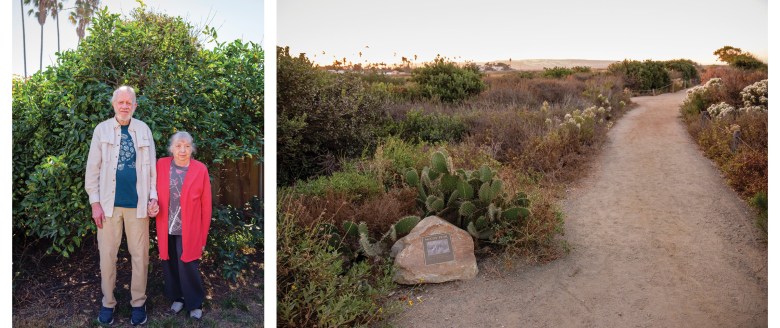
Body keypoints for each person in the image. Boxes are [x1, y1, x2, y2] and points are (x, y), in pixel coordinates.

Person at [85, 85, 157, 326]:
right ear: (113, 104)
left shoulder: (144, 130)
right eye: (121, 102)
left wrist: (153, 197)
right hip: (107, 207)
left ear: (135, 106)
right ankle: (108, 303)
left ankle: (138, 303)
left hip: (137, 207)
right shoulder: (101, 130)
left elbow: (152, 171)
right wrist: (95, 202)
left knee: (140, 257)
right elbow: (92, 169)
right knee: (107, 256)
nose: (125, 106)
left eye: (129, 102)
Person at [148, 131, 212, 320]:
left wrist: (203, 235)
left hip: (189, 227)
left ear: (192, 148)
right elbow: (153, 191)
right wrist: (151, 205)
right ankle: (177, 298)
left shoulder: (200, 169)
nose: (182, 150)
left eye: (186, 146)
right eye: (178, 146)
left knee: (188, 264)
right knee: (169, 262)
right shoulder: (161, 164)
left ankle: (194, 303)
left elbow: (206, 206)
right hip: (166, 224)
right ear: (171, 148)